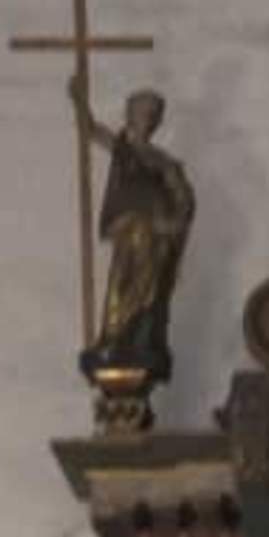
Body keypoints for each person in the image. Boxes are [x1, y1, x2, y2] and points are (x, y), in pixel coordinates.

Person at [69, 75, 194, 378]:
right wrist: (79, 100)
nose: (148, 119)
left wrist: (173, 221)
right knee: (124, 280)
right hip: (131, 232)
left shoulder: (163, 161)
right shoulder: (123, 148)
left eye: (154, 114)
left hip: (158, 237)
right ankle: (114, 337)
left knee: (151, 289)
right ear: (130, 115)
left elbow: (184, 200)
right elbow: (90, 129)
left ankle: (141, 338)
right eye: (142, 112)